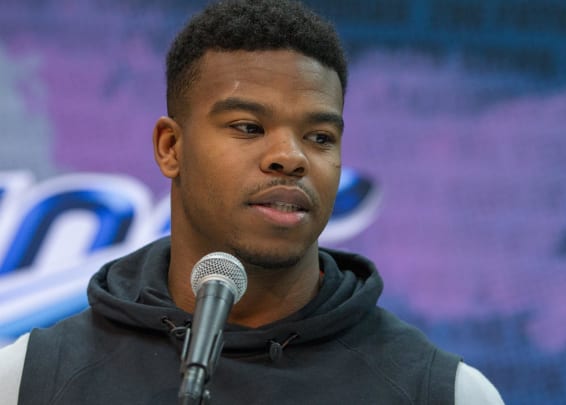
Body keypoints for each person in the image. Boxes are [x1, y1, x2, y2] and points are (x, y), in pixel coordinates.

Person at [0, 1, 504, 403]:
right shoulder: (28, 381)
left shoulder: (445, 392)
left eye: (320, 137)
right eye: (248, 127)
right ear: (170, 148)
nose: (290, 157)